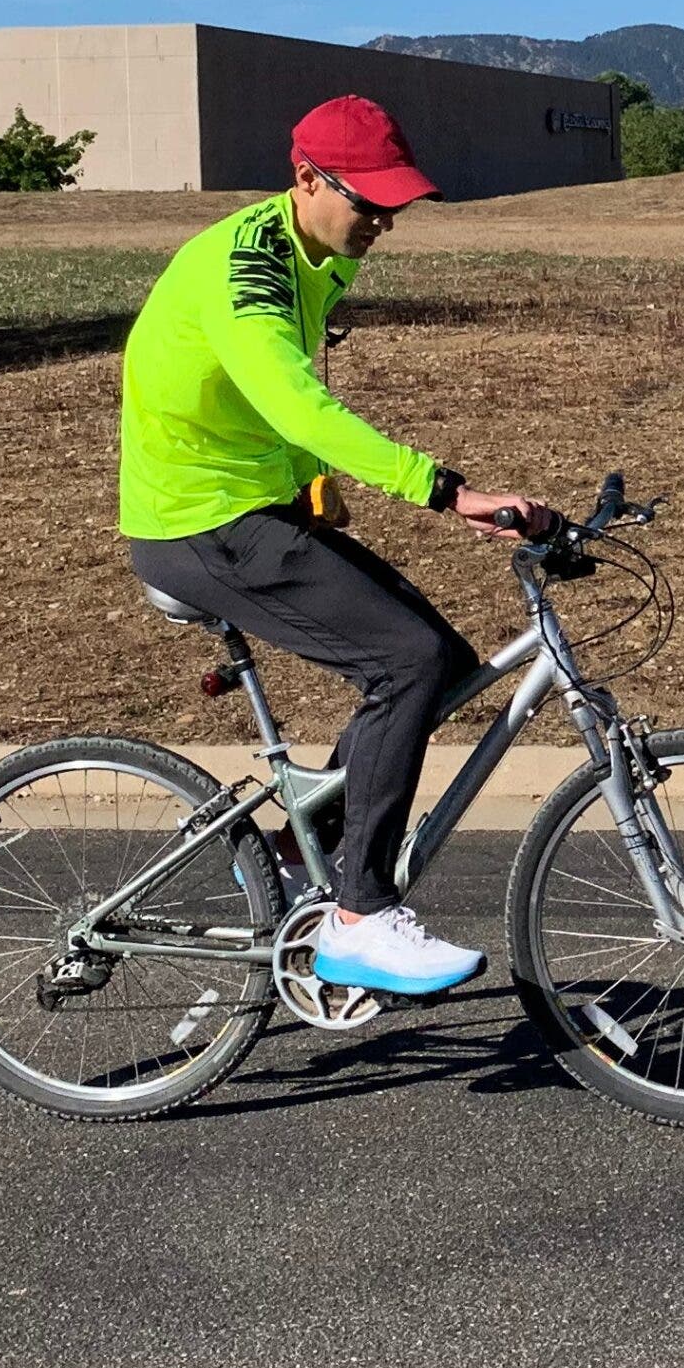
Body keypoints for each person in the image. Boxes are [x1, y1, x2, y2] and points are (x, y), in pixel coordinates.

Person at [118, 94, 552, 992]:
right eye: (370, 201)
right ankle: (359, 919)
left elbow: (260, 403)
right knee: (407, 661)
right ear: (307, 179)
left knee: (438, 661)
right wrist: (445, 490)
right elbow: (295, 401)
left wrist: (310, 486)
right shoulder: (244, 273)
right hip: (198, 521)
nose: (384, 221)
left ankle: (295, 855)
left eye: (396, 203)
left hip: (252, 506)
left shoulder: (313, 251)